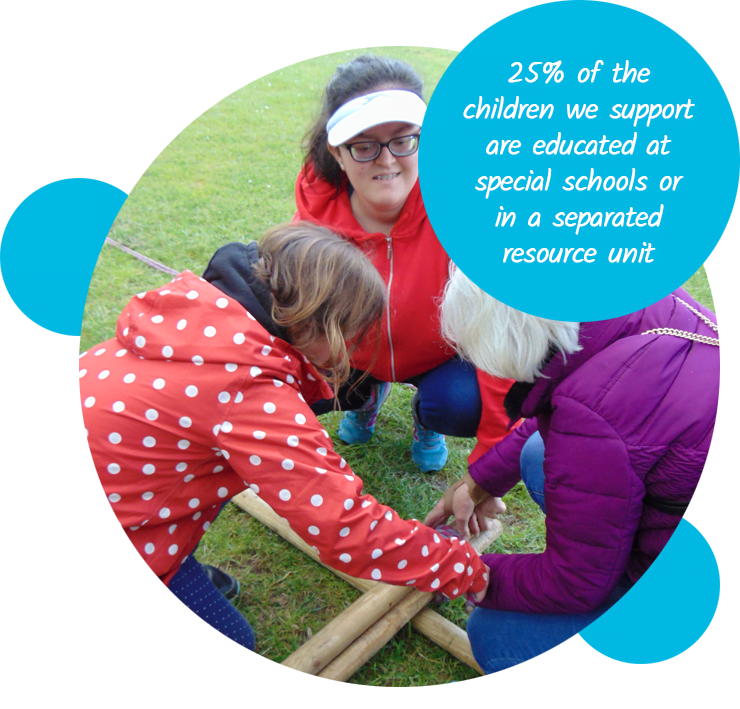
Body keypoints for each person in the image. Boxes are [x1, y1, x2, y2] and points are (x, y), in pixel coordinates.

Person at [80, 223, 489, 665]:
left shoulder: (199, 319)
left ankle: (177, 560)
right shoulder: (248, 392)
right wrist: (462, 567)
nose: (350, 355)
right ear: (319, 324)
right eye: (350, 336)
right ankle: (169, 564)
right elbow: (344, 527)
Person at [424, 265, 734, 706]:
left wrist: (471, 572)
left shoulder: (593, 419)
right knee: (537, 453)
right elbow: (566, 410)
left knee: (498, 636)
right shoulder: (629, 303)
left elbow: (574, 582)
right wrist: (480, 479)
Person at [296, 54, 515, 472]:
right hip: (352, 356)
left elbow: (502, 334)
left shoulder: (469, 207)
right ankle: (364, 395)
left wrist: (490, 459)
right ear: (337, 153)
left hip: (441, 356)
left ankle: (426, 417)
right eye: (363, 145)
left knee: (459, 404)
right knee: (306, 380)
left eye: (403, 139)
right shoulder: (314, 216)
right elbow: (287, 318)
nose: (386, 160)